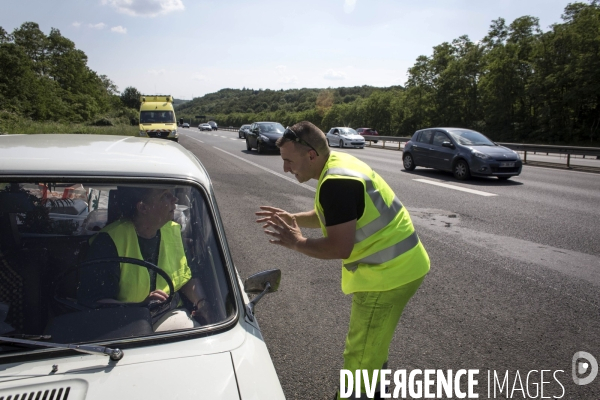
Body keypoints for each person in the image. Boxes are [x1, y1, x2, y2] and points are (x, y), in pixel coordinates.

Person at [256, 121, 430, 399]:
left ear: (310, 155)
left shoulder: (336, 183)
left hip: (386, 275)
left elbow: (339, 246)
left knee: (359, 357)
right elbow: (335, 217)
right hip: (404, 264)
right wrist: (294, 219)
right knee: (374, 347)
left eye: (289, 161)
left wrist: (297, 242)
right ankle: (377, 388)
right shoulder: (338, 163)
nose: (286, 169)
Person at [78, 187, 209, 332]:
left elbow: (188, 277)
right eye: (164, 196)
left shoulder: (173, 231)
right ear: (143, 207)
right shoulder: (108, 241)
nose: (175, 199)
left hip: (167, 314)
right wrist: (141, 306)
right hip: (122, 321)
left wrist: (202, 303)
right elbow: (95, 301)